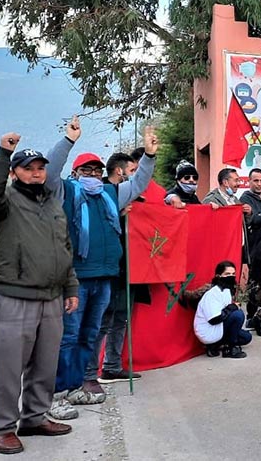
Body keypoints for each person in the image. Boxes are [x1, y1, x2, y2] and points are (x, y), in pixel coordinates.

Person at [44, 116, 157, 420]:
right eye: (86, 170)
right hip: (76, 280)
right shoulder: (64, 192)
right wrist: (68, 141)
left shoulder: (110, 194)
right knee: (68, 337)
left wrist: (149, 156)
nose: (92, 174)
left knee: (91, 335)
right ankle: (56, 395)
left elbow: (139, 183)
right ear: (75, 173)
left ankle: (79, 384)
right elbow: (50, 171)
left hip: (105, 277)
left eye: (96, 170)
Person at [0, 136, 76, 454]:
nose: (36, 173)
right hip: (14, 297)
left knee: (45, 365)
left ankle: (34, 417)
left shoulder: (52, 205)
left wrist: (70, 286)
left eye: (40, 168)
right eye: (28, 168)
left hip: (51, 298)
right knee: (7, 367)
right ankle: (3, 427)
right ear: (14, 173)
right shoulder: (3, 202)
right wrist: (3, 154)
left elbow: (63, 248)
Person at [95, 152, 147, 386]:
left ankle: (112, 366)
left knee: (121, 319)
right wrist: (118, 214)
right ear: (120, 170)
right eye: (132, 171)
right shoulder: (101, 193)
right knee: (104, 320)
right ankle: (88, 372)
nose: (134, 176)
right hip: (109, 268)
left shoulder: (132, 195)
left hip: (130, 267)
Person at [193, 261, 252, 358]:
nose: (231, 276)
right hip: (209, 330)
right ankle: (230, 349)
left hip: (219, 326)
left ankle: (216, 345)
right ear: (218, 275)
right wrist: (232, 308)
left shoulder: (226, 290)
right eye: (227, 274)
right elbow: (214, 319)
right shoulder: (212, 294)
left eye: (233, 274)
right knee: (238, 314)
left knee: (246, 337)